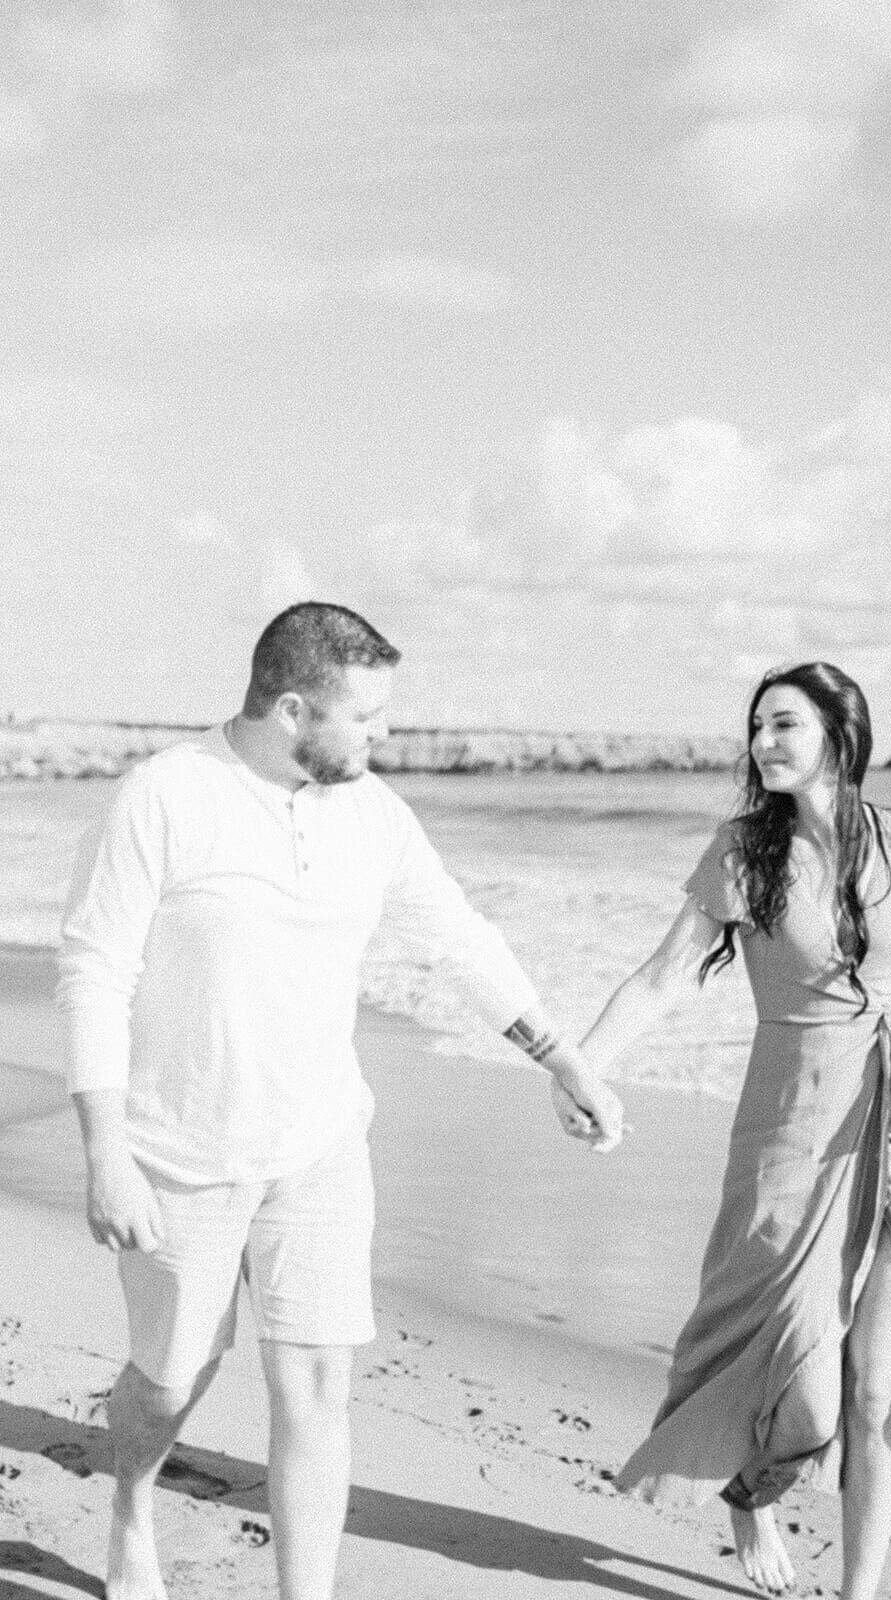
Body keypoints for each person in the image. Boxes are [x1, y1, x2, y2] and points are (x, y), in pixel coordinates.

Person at [56, 601, 623, 1600]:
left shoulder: (372, 813)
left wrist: (560, 1055)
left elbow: (458, 937)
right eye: (364, 716)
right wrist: (104, 1149)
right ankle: (132, 1505)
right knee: (170, 1376)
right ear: (290, 709)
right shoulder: (166, 795)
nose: (384, 734)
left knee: (317, 1385)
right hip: (178, 1146)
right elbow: (95, 970)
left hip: (319, 1141)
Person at [569, 662, 891, 1598]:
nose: (762, 742)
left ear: (839, 735)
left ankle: (857, 1593)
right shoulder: (744, 853)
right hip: (790, 1123)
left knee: (878, 1378)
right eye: (757, 725)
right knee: (801, 1374)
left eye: (784, 724)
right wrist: (580, 1066)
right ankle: (751, 1492)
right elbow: (661, 977)